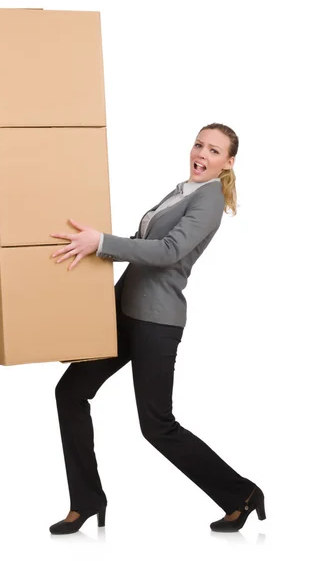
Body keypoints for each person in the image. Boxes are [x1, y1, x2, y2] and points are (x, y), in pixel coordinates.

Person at [48, 122, 266, 534]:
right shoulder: (182, 190)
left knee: (157, 425)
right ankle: (87, 500)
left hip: (156, 322)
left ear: (228, 162)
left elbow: (167, 252)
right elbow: (139, 242)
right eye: (199, 144)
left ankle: (242, 494)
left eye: (214, 151)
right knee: (70, 392)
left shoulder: (210, 200)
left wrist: (102, 242)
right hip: (125, 313)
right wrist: (91, 251)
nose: (202, 154)